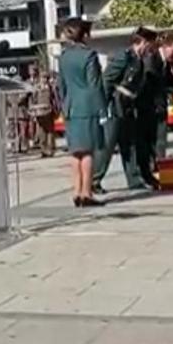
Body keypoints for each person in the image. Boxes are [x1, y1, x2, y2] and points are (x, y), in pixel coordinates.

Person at [92, 27, 156, 193]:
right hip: (115, 104)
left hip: (128, 106)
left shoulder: (139, 60)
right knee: (108, 145)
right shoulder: (124, 56)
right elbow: (107, 80)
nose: (150, 48)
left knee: (130, 144)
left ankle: (133, 179)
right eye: (149, 44)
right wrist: (103, 106)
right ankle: (94, 179)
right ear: (141, 42)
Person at [58, 17, 106, 207]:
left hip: (70, 107)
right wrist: (102, 107)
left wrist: (65, 105)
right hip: (87, 106)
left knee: (75, 152)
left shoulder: (64, 56)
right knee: (88, 152)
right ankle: (87, 193)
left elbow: (61, 86)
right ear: (84, 34)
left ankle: (76, 192)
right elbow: (95, 85)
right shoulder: (89, 55)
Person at [140, 33, 173, 166]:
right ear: (165, 46)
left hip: (160, 106)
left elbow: (171, 81)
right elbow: (153, 83)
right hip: (150, 106)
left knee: (161, 139)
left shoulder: (166, 63)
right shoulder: (152, 58)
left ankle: (160, 165)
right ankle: (154, 166)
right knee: (152, 140)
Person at [30, 69, 59, 158]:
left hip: (49, 112)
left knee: (50, 132)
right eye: (43, 78)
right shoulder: (36, 88)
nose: (44, 79)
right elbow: (32, 100)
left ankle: (50, 150)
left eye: (46, 78)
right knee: (41, 132)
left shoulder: (51, 88)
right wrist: (32, 111)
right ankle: (43, 150)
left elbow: (56, 99)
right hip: (40, 112)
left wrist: (57, 110)